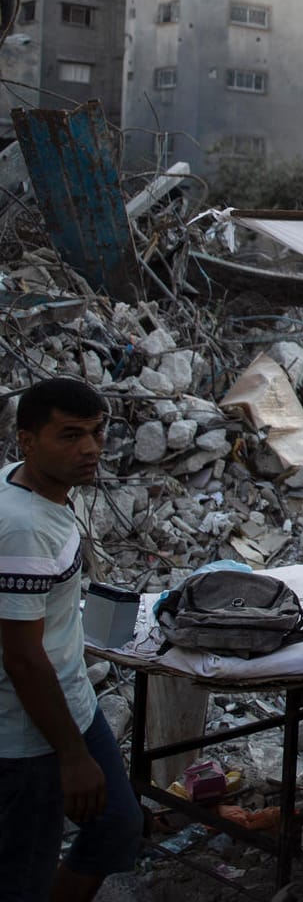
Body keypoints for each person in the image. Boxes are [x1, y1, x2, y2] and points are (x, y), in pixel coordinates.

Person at [1, 378, 143, 901]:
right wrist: (71, 755)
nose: (90, 449)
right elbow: (20, 656)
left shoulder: (20, 485)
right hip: (31, 731)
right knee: (22, 876)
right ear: (27, 440)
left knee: (118, 824)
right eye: (69, 436)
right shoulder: (23, 530)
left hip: (72, 702)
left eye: (96, 433)